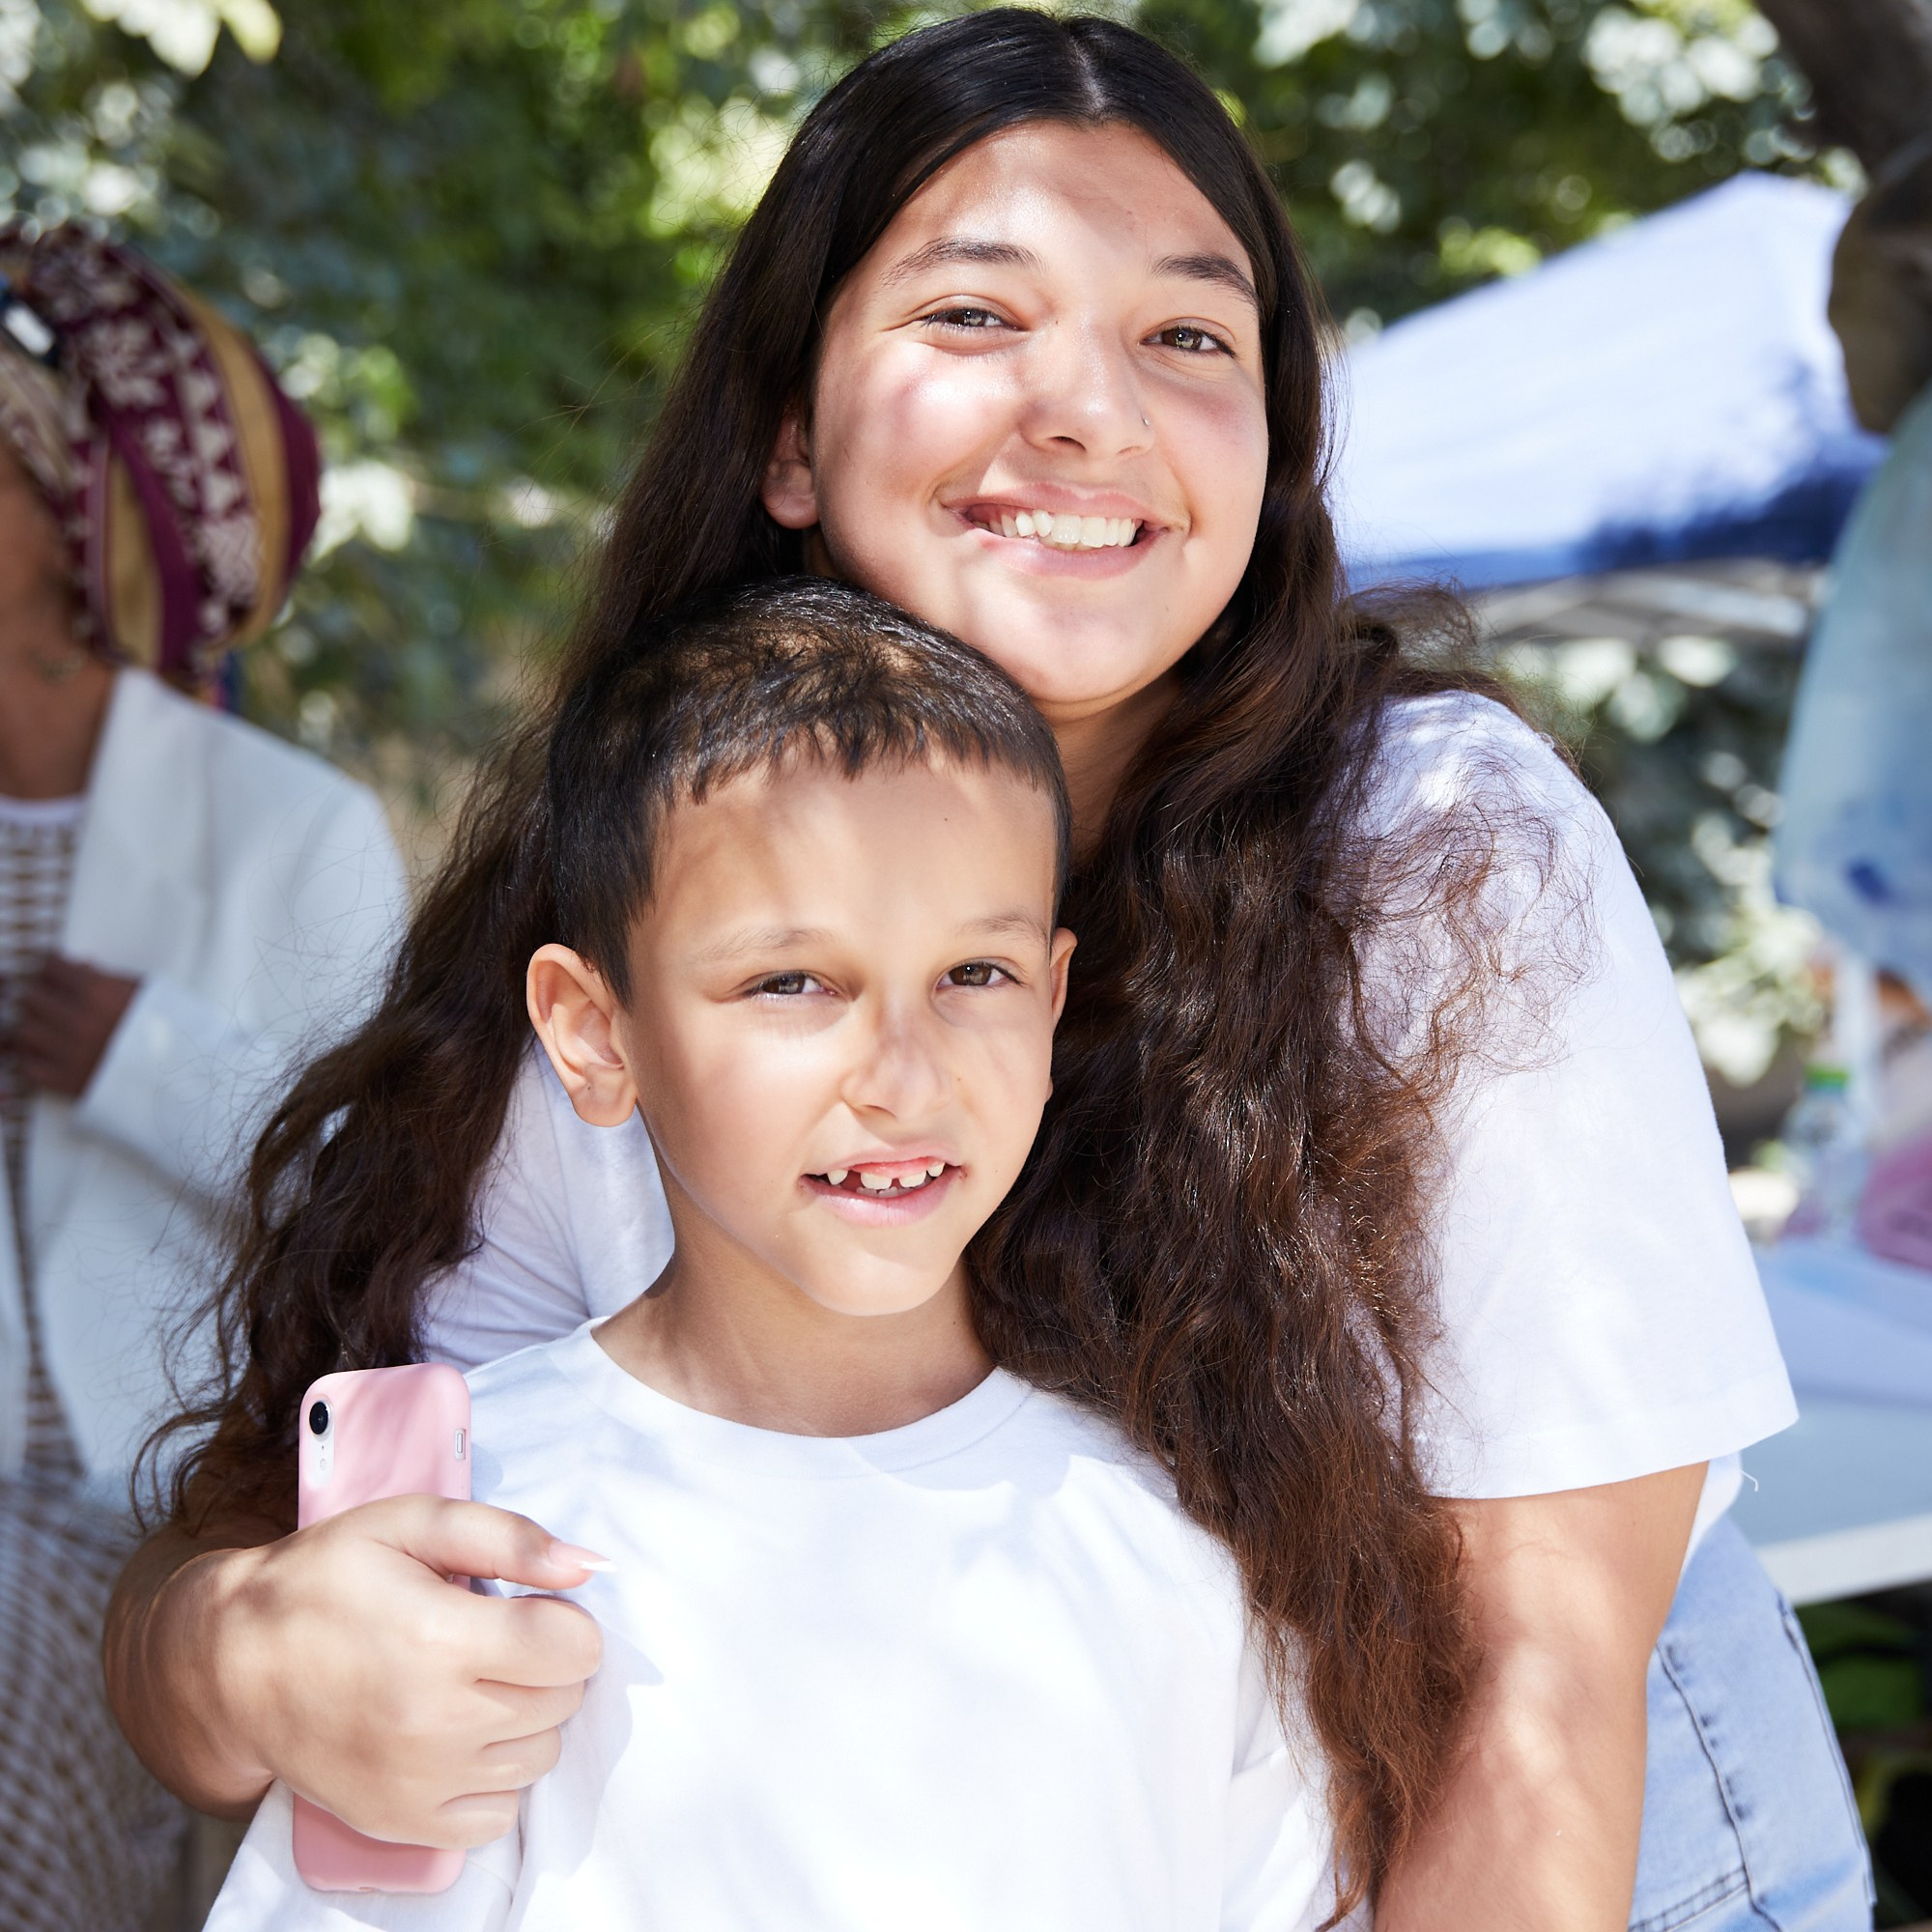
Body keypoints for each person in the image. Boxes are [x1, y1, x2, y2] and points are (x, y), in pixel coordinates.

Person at [107, 15, 1871, 1929]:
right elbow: (273, 1560)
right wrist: (257, 1659)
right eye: (973, 315)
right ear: (789, 432)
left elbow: (1537, 1695)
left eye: (1186, 335)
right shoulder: (641, 916)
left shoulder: (1440, 853)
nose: (1091, 410)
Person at [203, 578, 1338, 1931]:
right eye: (792, 983)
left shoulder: (1187, 1538)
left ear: (1052, 995)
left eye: (974, 975)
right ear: (594, 1034)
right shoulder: (458, 1539)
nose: (902, 1077)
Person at [0, 225, 404, 1927]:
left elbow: (384, 1206)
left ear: (78, 518)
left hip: (158, 1507)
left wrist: (144, 1057)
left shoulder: (296, 833)